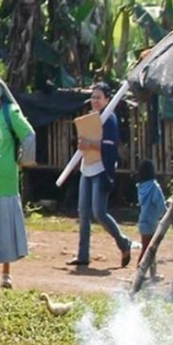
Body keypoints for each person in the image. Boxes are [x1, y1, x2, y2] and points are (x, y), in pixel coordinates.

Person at [67, 82, 134, 268]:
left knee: (99, 212)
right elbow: (86, 142)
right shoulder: (91, 118)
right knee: (84, 213)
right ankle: (82, 255)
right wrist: (83, 145)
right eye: (93, 97)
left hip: (101, 170)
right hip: (86, 168)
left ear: (107, 100)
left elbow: (110, 147)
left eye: (99, 97)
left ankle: (123, 242)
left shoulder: (109, 119)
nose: (95, 101)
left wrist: (90, 145)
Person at [0, 74, 36, 289]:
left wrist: (24, 160)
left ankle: (6, 273)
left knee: (4, 229)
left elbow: (29, 135)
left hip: (5, 182)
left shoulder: (9, 113)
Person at [136, 159, 166, 278]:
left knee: (150, 249)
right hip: (151, 222)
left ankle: (153, 274)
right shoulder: (154, 186)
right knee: (147, 250)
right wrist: (165, 213)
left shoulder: (141, 187)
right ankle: (139, 272)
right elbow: (159, 203)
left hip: (143, 221)